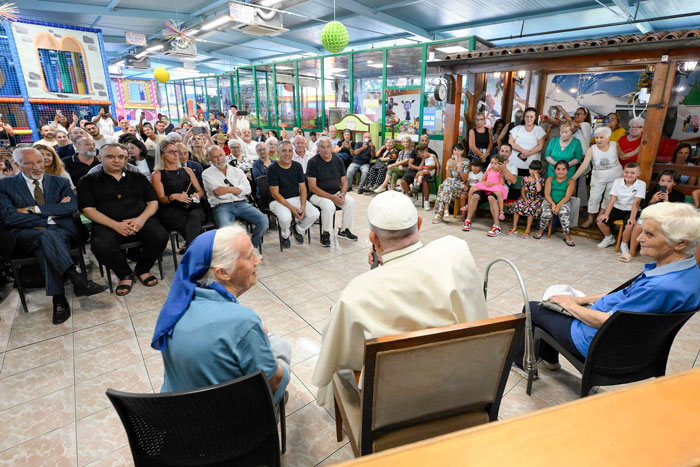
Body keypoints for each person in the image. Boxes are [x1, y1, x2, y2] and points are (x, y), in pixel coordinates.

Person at [311, 190, 488, 407]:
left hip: (395, 406)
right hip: (458, 387)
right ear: (420, 224)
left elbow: (339, 355)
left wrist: (382, 259)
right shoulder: (455, 250)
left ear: (372, 238)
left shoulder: (355, 294)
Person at [513, 202, 700, 375]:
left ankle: (524, 363)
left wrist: (570, 305)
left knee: (533, 309)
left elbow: (606, 322)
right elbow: (627, 294)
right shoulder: (689, 272)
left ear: (680, 243)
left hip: (601, 344)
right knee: (557, 305)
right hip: (636, 344)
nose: (640, 238)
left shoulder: (661, 287)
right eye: (643, 231)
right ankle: (549, 358)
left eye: (650, 234)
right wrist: (581, 300)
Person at [152, 225, 290, 405]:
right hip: (224, 422)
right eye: (249, 256)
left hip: (179, 416)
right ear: (222, 272)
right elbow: (274, 380)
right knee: (280, 345)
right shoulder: (243, 321)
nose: (258, 259)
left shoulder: (175, 308)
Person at [0, 147, 107, 324]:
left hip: (58, 232)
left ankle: (59, 299)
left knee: (46, 243)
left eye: (40, 161)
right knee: (48, 237)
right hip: (23, 236)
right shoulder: (5, 185)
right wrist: (50, 216)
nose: (37, 167)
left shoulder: (59, 182)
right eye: (29, 163)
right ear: (16, 164)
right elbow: (9, 217)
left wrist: (32, 210)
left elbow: (70, 207)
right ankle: (77, 279)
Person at [78, 144, 169, 296]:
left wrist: (141, 219)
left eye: (121, 157)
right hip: (107, 223)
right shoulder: (88, 181)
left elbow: (152, 202)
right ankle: (124, 274)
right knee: (100, 246)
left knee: (160, 236)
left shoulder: (137, 177)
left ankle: (143, 269)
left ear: (126, 159)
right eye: (110, 156)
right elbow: (88, 210)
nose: (116, 160)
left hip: (139, 220)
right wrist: (115, 225)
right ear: (100, 158)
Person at [203, 145, 268, 253]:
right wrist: (238, 189)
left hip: (242, 203)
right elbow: (218, 193)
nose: (219, 159)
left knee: (263, 221)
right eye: (215, 157)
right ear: (209, 158)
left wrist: (227, 189)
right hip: (222, 206)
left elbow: (247, 189)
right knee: (225, 230)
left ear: (225, 155)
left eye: (221, 155)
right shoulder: (206, 174)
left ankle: (252, 248)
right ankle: (233, 254)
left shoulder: (237, 171)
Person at [621, 169, 685, 262]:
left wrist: (666, 202)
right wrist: (652, 201)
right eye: (662, 181)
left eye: (669, 181)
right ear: (658, 181)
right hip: (649, 217)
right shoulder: (653, 191)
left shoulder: (679, 196)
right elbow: (643, 207)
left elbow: (675, 213)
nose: (665, 183)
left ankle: (662, 255)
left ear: (674, 183)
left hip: (666, 220)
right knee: (638, 227)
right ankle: (631, 252)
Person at [152, 142, 206, 250]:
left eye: (176, 151)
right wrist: (173, 197)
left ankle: (192, 252)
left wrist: (197, 195)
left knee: (194, 216)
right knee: (193, 224)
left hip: (192, 206)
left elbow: (200, 190)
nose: (176, 155)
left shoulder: (187, 170)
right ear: (162, 154)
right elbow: (161, 199)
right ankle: (198, 251)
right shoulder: (157, 174)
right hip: (172, 210)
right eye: (171, 152)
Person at [267, 140, 319, 249]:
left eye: (290, 151)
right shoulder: (272, 169)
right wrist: (292, 208)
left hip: (295, 197)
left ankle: (298, 229)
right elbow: (275, 194)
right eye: (284, 151)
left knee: (314, 213)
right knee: (286, 218)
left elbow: (303, 188)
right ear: (278, 152)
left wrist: (303, 206)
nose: (287, 154)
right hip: (277, 200)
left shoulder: (297, 166)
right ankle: (285, 235)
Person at [307, 137, 358, 247]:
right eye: (322, 147)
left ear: (332, 147)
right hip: (316, 195)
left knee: (350, 202)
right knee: (329, 205)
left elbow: (344, 182)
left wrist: (342, 194)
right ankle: (326, 233)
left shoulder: (338, 160)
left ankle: (344, 230)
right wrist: (332, 197)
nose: (325, 150)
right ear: (318, 148)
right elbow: (312, 187)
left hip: (335, 192)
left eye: (328, 146)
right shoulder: (312, 162)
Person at [572, 126, 623, 229]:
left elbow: (624, 156)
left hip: (615, 176)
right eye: (597, 137)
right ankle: (590, 219)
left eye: (601, 137)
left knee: (608, 198)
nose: (598, 140)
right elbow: (584, 165)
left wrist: (638, 149)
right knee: (594, 198)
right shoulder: (592, 149)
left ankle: (600, 217)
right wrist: (573, 178)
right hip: (598, 176)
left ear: (608, 137)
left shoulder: (615, 145)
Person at [463, 144, 517, 235]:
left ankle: (496, 226)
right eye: (502, 151)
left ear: (510, 153)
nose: (504, 153)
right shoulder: (492, 163)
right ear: (499, 152)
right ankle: (468, 220)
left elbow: (514, 181)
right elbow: (487, 177)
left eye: (506, 151)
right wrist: (486, 183)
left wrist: (504, 168)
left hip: (499, 190)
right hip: (487, 188)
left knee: (491, 198)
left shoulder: (512, 166)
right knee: (475, 195)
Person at [596, 162, 646, 252]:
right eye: (627, 172)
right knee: (600, 221)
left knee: (629, 225)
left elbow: (636, 203)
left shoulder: (641, 184)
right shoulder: (617, 181)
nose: (629, 175)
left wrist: (632, 218)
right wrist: (606, 214)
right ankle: (609, 238)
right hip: (617, 208)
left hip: (631, 210)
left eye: (632, 173)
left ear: (638, 174)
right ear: (623, 172)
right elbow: (612, 199)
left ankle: (624, 243)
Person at [534, 160, 576, 246]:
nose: (560, 171)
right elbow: (547, 194)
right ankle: (541, 230)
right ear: (555, 170)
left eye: (563, 169)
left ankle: (566, 235)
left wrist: (558, 206)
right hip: (549, 201)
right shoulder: (550, 179)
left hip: (563, 202)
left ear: (567, 171)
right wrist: (553, 204)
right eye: (558, 169)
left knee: (564, 212)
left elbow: (567, 196)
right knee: (546, 213)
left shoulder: (571, 181)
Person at [432, 143, 469, 223]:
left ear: (462, 151)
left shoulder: (466, 162)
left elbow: (465, 179)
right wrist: (449, 168)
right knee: (445, 185)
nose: (456, 152)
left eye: (459, 150)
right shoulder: (449, 161)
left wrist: (459, 167)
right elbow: (448, 176)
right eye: (455, 150)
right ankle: (443, 212)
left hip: (460, 185)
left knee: (442, 187)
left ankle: (441, 213)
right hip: (450, 185)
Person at [469, 154, 509, 223]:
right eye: (492, 163)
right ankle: (469, 205)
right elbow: (483, 180)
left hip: (495, 186)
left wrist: (494, 184)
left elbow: (502, 182)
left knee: (499, 193)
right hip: (487, 186)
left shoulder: (501, 172)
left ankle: (501, 212)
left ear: (500, 164)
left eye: (495, 163)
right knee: (472, 189)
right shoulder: (488, 170)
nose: (493, 165)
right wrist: (486, 183)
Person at [509, 160, 544, 237]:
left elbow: (538, 190)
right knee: (517, 207)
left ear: (539, 171)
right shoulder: (525, 179)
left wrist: (537, 179)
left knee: (531, 209)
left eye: (535, 170)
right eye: (531, 169)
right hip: (525, 198)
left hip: (535, 199)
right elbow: (522, 191)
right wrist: (525, 199)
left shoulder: (540, 180)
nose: (532, 171)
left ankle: (527, 229)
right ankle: (514, 227)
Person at [508, 107, 546, 173]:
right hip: (514, 164)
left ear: (535, 118)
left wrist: (528, 153)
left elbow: (540, 146)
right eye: (527, 116)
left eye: (531, 116)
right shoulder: (517, 129)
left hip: (532, 166)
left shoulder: (539, 130)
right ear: (524, 117)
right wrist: (523, 151)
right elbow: (510, 142)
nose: (529, 119)